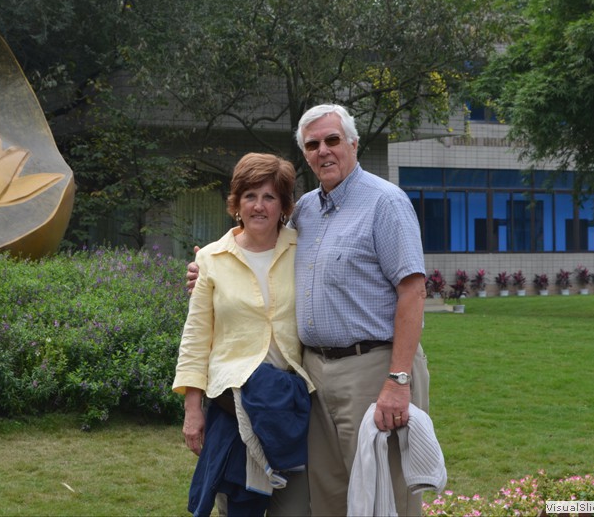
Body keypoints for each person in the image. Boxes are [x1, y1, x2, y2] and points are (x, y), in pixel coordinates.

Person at [188, 104, 429, 516]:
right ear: (305, 154)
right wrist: (209, 266)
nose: (324, 151)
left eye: (332, 140)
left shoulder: (385, 202)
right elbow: (255, 240)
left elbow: (413, 290)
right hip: (314, 378)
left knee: (384, 494)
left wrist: (398, 379)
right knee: (329, 495)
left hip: (373, 369)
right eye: (313, 144)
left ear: (353, 143)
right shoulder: (306, 212)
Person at [173, 152, 314, 517]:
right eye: (250, 196)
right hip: (232, 407)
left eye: (269, 197)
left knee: (296, 507)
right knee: (241, 506)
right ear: (236, 203)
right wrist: (192, 409)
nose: (259, 206)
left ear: (284, 205)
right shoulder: (212, 259)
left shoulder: (305, 250)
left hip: (290, 403)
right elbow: (195, 338)